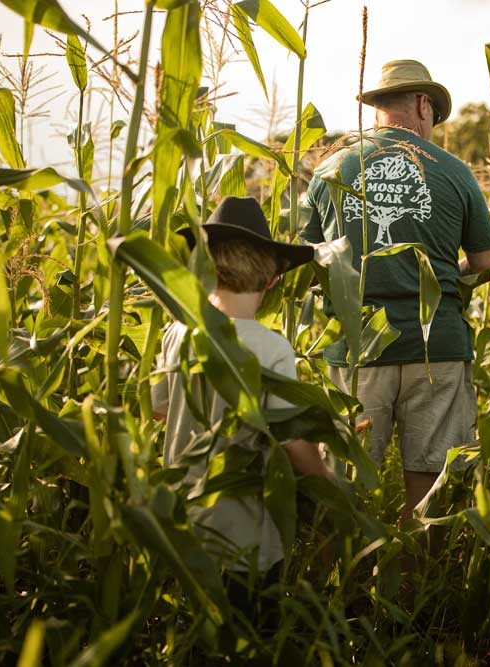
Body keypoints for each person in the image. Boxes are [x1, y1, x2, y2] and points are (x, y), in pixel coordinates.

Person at [301, 59, 490, 525]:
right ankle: (420, 586)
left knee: (342, 480)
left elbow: (307, 261)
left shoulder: (330, 169)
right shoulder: (455, 172)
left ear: (377, 108)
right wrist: (444, 277)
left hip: (356, 349)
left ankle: (341, 586)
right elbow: (489, 266)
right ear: (422, 104)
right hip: (438, 347)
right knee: (429, 482)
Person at [152, 195, 331, 619]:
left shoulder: (175, 334)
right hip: (244, 538)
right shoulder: (272, 348)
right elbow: (291, 441)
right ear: (272, 281)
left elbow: (160, 411)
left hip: (180, 527)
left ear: (205, 269)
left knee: (190, 633)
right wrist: (328, 479)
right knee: (247, 634)